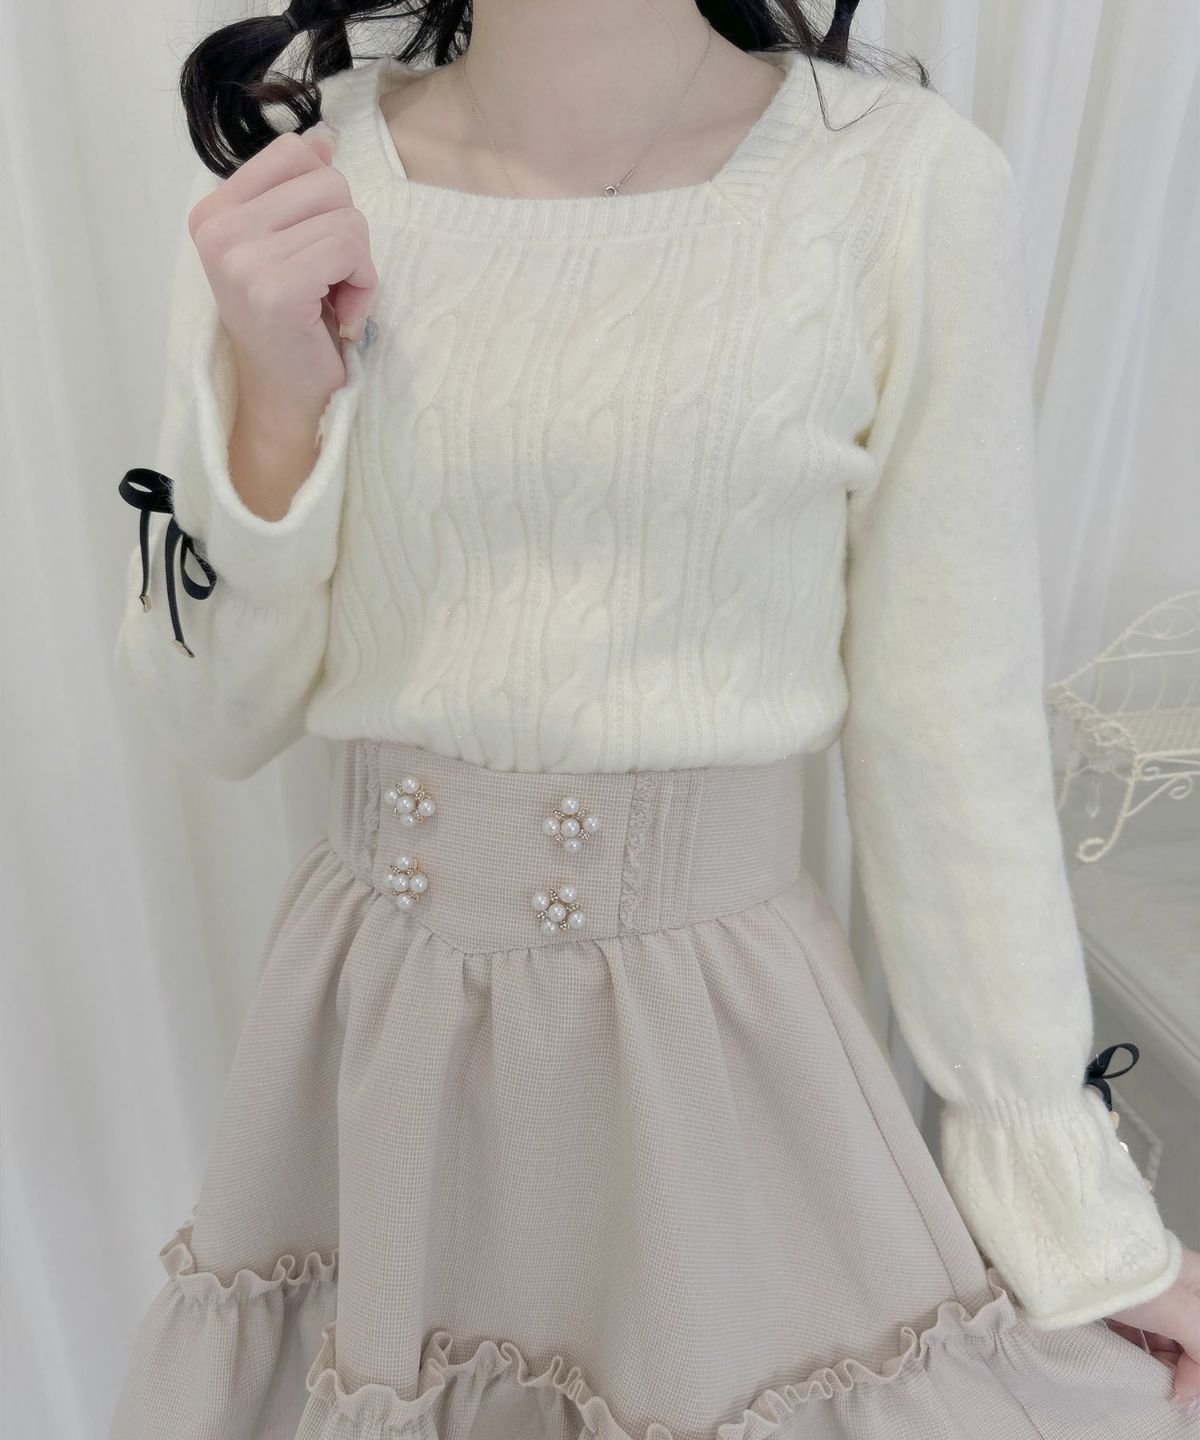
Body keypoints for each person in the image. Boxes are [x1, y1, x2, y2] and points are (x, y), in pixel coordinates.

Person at [107, 2, 1200, 1436]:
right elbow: (206, 717)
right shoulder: (304, 191)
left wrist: (1075, 1220)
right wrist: (269, 403)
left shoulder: (898, 187)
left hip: (709, 1061)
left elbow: (955, 756)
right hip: (376, 1042)